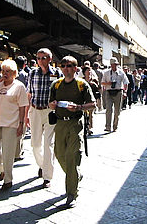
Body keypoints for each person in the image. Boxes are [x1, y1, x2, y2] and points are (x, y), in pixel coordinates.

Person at [48, 56, 96, 207]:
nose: (65, 68)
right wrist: (53, 105)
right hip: (60, 124)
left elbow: (93, 104)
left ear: (76, 68)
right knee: (60, 154)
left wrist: (79, 107)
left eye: (69, 66)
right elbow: (50, 104)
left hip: (75, 124)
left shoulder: (82, 85)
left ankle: (71, 194)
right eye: (63, 66)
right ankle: (76, 176)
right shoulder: (56, 85)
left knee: (72, 157)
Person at [0, 59, 27, 190]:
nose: (5, 74)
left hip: (11, 123)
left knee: (8, 152)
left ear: (14, 73)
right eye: (3, 71)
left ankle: (8, 179)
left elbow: (23, 107)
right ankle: (1, 169)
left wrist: (21, 124)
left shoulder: (19, 87)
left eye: (8, 71)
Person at [27, 48, 62, 188]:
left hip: (49, 112)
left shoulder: (57, 73)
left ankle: (47, 176)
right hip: (35, 110)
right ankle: (43, 165)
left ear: (50, 59)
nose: (41, 60)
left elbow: (60, 93)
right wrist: (26, 114)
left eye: (44, 58)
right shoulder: (32, 73)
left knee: (48, 144)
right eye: (39, 58)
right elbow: (29, 93)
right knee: (35, 144)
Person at [101, 57, 128, 132]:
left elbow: (126, 82)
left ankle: (115, 126)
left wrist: (125, 92)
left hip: (118, 92)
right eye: (112, 65)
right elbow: (102, 83)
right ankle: (108, 126)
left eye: (115, 65)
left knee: (117, 111)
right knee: (108, 110)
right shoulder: (106, 73)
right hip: (109, 92)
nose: (114, 66)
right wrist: (108, 83)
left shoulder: (121, 73)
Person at [83, 66, 100, 134]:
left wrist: (94, 84)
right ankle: (84, 127)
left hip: (91, 100)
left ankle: (89, 128)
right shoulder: (81, 80)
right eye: (87, 71)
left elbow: (98, 89)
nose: (89, 72)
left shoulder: (94, 80)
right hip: (83, 100)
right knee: (84, 114)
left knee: (90, 114)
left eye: (90, 71)